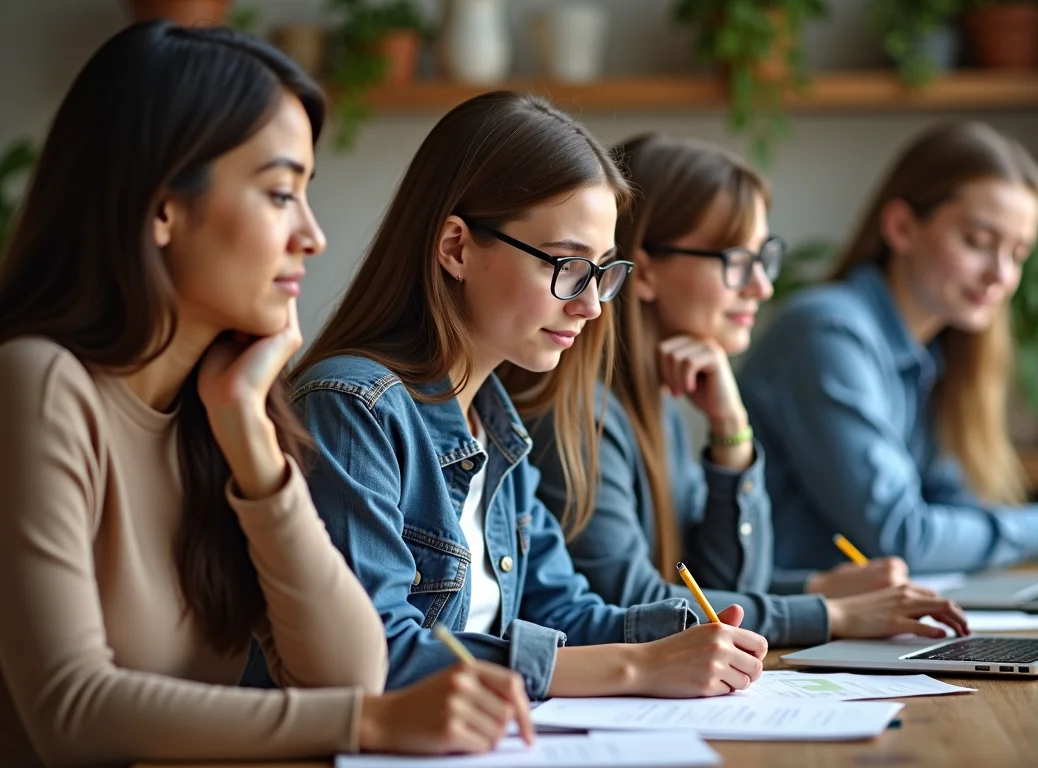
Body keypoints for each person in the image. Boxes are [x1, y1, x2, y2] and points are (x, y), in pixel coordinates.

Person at [0, 22, 534, 765]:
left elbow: (348, 673)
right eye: (281, 193)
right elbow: (70, 711)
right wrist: (369, 725)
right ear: (162, 206)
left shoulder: (218, 411)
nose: (312, 235)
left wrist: (252, 442)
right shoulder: (38, 385)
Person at [288, 92, 768, 703]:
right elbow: (382, 651)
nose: (591, 305)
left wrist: (691, 636)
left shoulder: (495, 421)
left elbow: (561, 609)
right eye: (567, 266)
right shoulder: (354, 408)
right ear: (457, 248)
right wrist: (636, 670)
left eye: (603, 272)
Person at [526, 133, 969, 650]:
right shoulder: (581, 416)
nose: (761, 286)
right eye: (737, 261)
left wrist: (731, 434)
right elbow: (634, 602)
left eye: (764, 259)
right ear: (643, 271)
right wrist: (831, 612)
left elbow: (707, 577)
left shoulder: (655, 404)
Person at [738, 121, 1038, 576]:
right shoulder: (827, 334)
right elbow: (901, 535)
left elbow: (953, 504)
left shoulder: (934, 353)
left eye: (1018, 254)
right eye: (979, 243)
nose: (1002, 275)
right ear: (901, 228)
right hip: (781, 632)